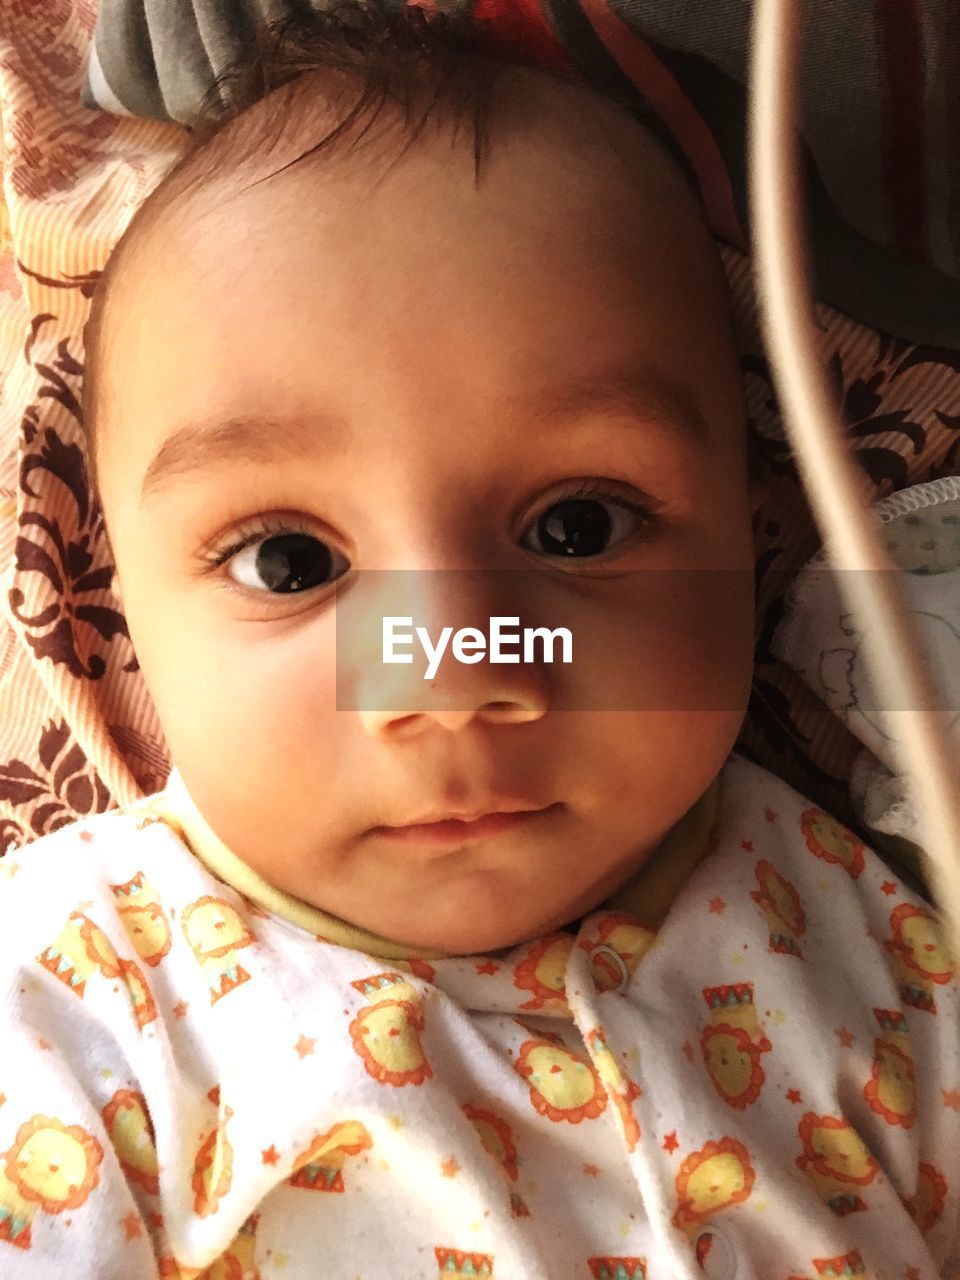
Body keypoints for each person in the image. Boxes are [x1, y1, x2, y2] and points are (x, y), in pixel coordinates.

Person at [0, 4, 956, 1276]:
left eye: (577, 524)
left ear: (756, 515)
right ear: (117, 592)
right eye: (291, 560)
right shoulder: (73, 1011)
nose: (450, 672)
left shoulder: (891, 941)